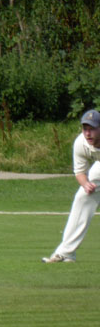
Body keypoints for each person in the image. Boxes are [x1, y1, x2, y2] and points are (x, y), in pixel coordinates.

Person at [43, 109, 100, 263]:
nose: (88, 133)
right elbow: (80, 172)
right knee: (83, 196)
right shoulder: (80, 143)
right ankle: (67, 253)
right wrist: (86, 185)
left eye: (92, 129)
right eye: (85, 129)